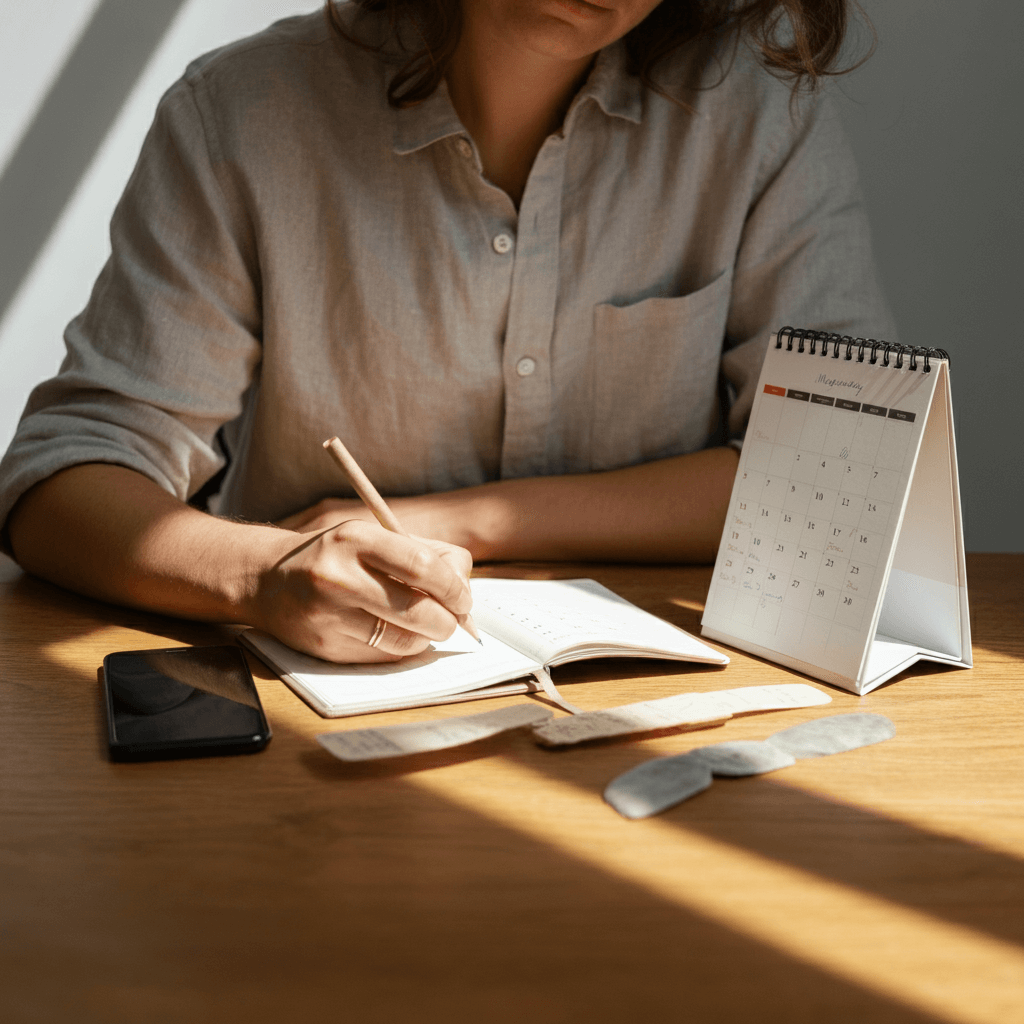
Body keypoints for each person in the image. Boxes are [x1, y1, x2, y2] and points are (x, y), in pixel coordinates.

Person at [0, 0, 895, 664]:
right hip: (312, 721)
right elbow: (60, 483)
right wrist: (267, 576)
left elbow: (836, 480)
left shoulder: (760, 117)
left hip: (655, 705)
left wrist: (468, 522)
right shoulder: (242, 114)